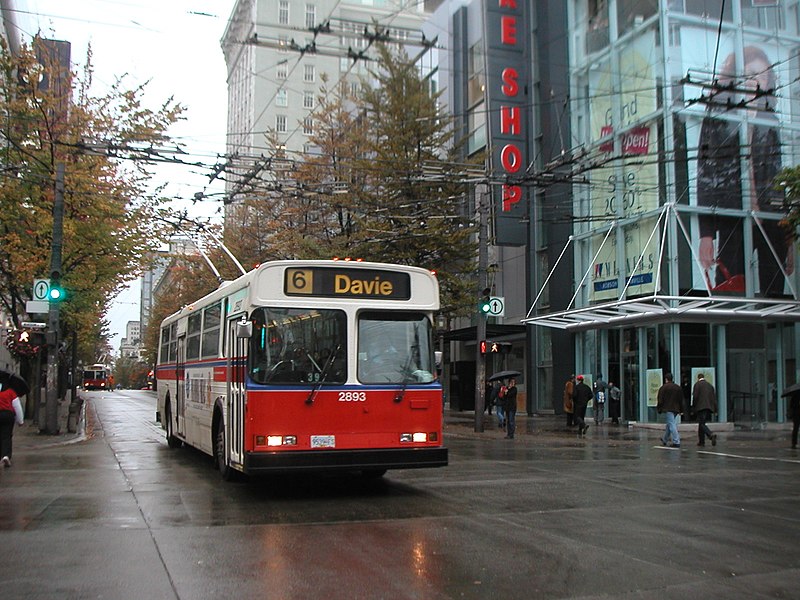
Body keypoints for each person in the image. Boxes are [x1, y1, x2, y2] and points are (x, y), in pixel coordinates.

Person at [696, 45, 793, 297]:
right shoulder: (719, 115)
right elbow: (706, 173)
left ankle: (771, 335)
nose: (754, 82)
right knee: (730, 292)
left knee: (775, 297)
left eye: (761, 77)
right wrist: (706, 234)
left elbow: (778, 176)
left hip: (770, 219)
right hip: (733, 218)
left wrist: (788, 233)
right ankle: (731, 336)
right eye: (749, 74)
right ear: (735, 77)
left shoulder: (769, 121)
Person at [657, 372, 684, 448]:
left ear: (666, 379)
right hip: (676, 409)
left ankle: (676, 441)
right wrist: (681, 410)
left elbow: (660, 400)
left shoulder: (663, 388)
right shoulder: (678, 388)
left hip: (668, 408)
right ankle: (665, 439)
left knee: (671, 424)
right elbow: (681, 400)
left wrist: (659, 409)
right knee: (669, 424)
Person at [691, 373, 718, 447]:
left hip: (700, 407)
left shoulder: (697, 385)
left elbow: (695, 396)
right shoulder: (710, 386)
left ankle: (710, 434)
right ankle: (701, 441)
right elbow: (714, 398)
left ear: (698, 378)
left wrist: (693, 407)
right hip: (709, 406)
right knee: (701, 423)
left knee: (702, 424)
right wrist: (715, 409)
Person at [0, 385, 24, 467]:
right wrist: (20, 420)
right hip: (8, 415)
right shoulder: (10, 391)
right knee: (6, 436)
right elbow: (17, 406)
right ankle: (6, 456)